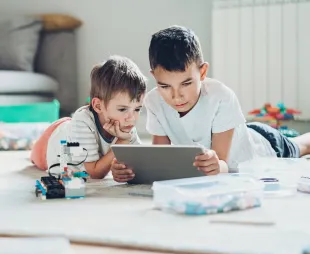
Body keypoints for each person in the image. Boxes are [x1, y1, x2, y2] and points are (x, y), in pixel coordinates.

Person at [111, 25, 310, 183]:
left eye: (186, 83)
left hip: (263, 144)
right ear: (154, 77)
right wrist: (128, 171)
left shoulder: (221, 96)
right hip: (233, 129)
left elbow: (222, 164)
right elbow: (161, 159)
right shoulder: (154, 100)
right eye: (165, 86)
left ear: (203, 72)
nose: (176, 96)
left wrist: (216, 165)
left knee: (300, 145)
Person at [31, 55, 146, 179]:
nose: (132, 118)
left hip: (76, 131)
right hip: (54, 139)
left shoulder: (125, 125)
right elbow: (95, 173)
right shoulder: (83, 123)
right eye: (122, 109)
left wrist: (122, 170)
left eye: (137, 109)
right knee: (35, 158)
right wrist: (121, 142)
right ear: (98, 106)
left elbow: (139, 163)